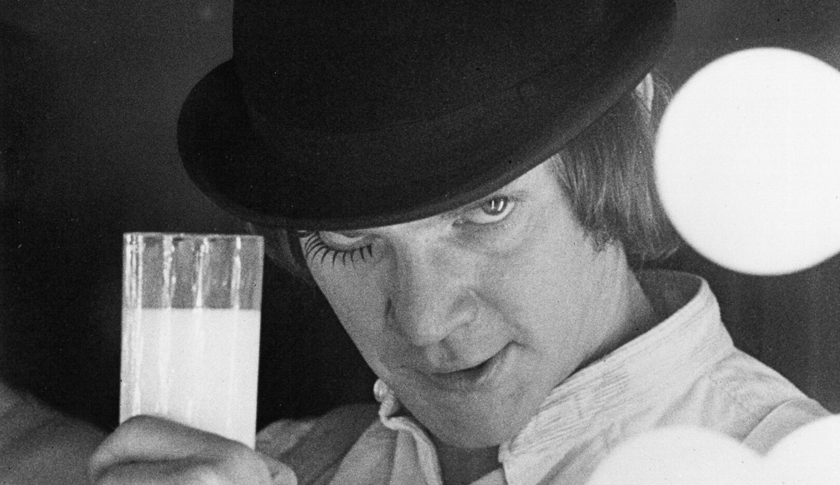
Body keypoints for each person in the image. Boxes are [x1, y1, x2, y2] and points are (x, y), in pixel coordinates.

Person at [90, 1, 830, 484]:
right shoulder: (281, 463)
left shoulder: (790, 464)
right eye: (350, 239)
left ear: (624, 141)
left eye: (488, 210)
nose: (423, 320)